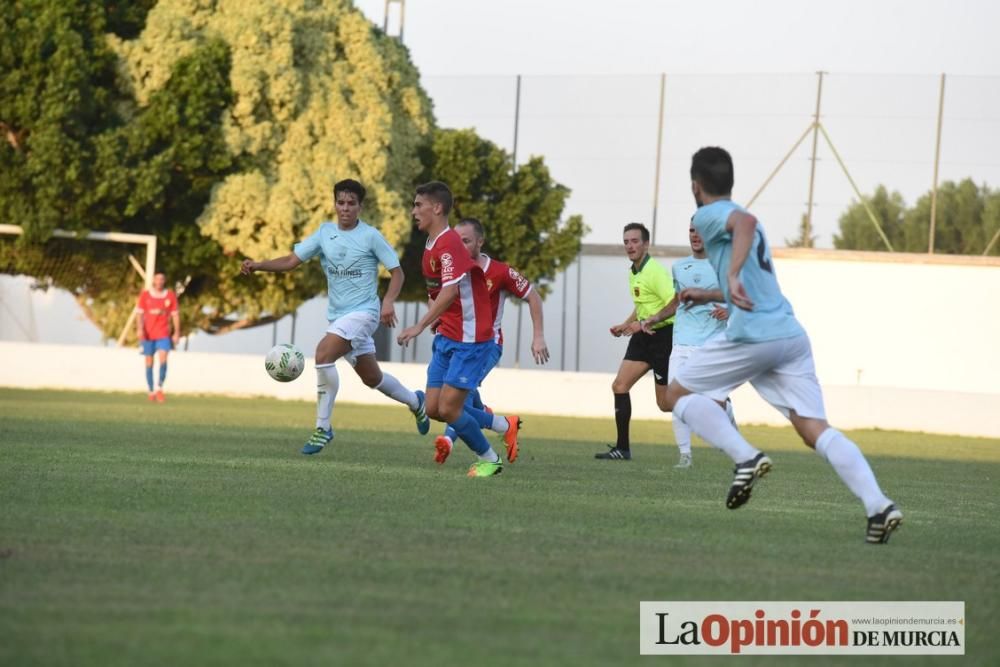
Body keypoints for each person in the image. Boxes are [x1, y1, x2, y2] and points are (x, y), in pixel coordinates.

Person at [661, 146, 902, 544]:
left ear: (696, 185)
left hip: (753, 335)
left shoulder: (708, 215)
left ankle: (746, 457)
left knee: (676, 394)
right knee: (813, 429)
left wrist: (733, 273)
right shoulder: (736, 217)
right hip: (789, 335)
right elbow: (747, 241)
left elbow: (745, 222)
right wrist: (710, 294)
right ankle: (878, 505)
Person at [241, 178, 430, 455]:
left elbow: (397, 272)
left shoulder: (370, 236)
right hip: (339, 316)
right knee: (372, 378)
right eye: (340, 202)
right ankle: (416, 402)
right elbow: (292, 261)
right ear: (334, 204)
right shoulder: (324, 232)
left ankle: (323, 427)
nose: (345, 208)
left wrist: (388, 301)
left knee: (323, 354)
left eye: (351, 203)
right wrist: (258, 265)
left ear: (360, 207)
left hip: (365, 312)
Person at [396, 182, 518, 478]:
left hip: (472, 339)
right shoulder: (429, 248)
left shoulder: (450, 243)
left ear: (436, 208)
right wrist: (435, 319)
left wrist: (420, 324)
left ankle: (490, 458)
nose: (413, 211)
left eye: (418, 205)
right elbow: (436, 292)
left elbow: (450, 292)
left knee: (450, 409)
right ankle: (503, 424)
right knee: (436, 408)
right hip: (447, 338)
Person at [433, 217, 550, 461]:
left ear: (480, 242)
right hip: (455, 343)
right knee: (452, 398)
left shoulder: (500, 272)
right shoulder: (451, 269)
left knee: (451, 402)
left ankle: (452, 440)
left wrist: (538, 336)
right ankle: (503, 425)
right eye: (456, 241)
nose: (459, 247)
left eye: (465, 241)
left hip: (485, 347)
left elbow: (533, 296)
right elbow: (441, 297)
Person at [641, 223, 733, 468]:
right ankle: (685, 455)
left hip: (712, 344)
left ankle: (729, 420)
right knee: (676, 400)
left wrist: (730, 310)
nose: (695, 235)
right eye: (692, 230)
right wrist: (655, 318)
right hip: (682, 343)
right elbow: (676, 302)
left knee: (715, 406)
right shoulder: (679, 267)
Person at [595, 222, 677, 461]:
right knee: (620, 386)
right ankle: (623, 449)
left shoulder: (656, 272)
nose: (630, 246)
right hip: (642, 338)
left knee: (664, 404)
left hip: (662, 337)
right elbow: (642, 305)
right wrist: (626, 323)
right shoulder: (634, 271)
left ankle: (707, 403)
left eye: (634, 241)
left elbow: (675, 304)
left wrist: (644, 323)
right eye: (626, 242)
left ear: (646, 244)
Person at [136, 271, 180, 402]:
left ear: (164, 281)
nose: (159, 281)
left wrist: (177, 332)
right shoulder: (145, 295)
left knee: (163, 358)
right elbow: (139, 314)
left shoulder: (170, 296)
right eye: (157, 279)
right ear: (153, 280)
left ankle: (159, 387)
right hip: (148, 334)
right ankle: (150, 390)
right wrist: (139, 329)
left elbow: (175, 315)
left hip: (163, 333)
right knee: (149, 361)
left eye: (162, 279)